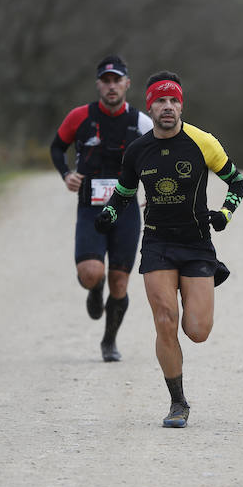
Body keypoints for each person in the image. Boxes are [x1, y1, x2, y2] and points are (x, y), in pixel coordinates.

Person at [94, 71, 243, 428]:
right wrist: (110, 214)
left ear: (181, 105)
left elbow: (237, 182)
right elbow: (125, 192)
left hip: (196, 244)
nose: (167, 107)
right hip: (158, 243)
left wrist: (224, 214)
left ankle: (211, 273)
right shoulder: (137, 150)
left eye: (173, 100)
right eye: (160, 101)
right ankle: (178, 402)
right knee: (165, 321)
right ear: (150, 106)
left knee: (197, 330)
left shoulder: (202, 142)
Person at [50, 55, 153, 362]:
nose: (111, 87)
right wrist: (67, 174)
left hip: (126, 211)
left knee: (119, 281)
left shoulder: (141, 122)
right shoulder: (80, 117)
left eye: (117, 80)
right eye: (106, 81)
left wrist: (153, 191)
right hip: (90, 207)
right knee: (92, 273)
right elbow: (57, 147)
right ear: (98, 85)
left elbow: (159, 155)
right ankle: (95, 289)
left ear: (127, 84)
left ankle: (109, 341)